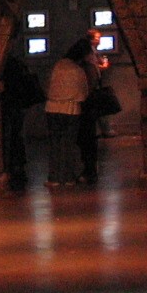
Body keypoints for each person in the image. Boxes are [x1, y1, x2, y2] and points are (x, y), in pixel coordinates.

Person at [45, 39, 92, 186]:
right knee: (69, 144)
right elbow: (84, 93)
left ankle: (54, 178)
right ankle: (69, 177)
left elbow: (49, 86)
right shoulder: (78, 70)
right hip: (71, 109)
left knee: (55, 144)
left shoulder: (58, 65)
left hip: (52, 108)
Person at [0, 46, 45, 191]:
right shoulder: (18, 65)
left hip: (8, 105)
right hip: (17, 105)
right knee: (16, 137)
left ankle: (12, 167)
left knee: (11, 137)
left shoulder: (5, 67)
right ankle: (18, 166)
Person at [78, 29, 110, 182]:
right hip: (88, 99)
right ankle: (89, 169)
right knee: (88, 136)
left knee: (88, 136)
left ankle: (89, 169)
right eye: (97, 38)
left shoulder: (92, 55)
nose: (99, 40)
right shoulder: (87, 58)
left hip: (89, 98)